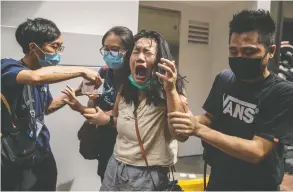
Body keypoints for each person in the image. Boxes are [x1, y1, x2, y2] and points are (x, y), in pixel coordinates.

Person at [168, 9, 293, 191]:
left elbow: (257, 150)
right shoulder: (225, 79)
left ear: (271, 51)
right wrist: (188, 120)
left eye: (249, 51)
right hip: (219, 180)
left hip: (258, 186)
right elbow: (210, 118)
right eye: (234, 51)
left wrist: (198, 129)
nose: (240, 57)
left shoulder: (281, 93)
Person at [63, 30, 189, 190]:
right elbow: (114, 117)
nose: (140, 57)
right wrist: (81, 106)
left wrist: (170, 89)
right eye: (136, 51)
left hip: (147, 174)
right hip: (115, 164)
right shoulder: (121, 86)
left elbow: (182, 135)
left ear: (159, 61)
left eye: (147, 52)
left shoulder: (171, 93)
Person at [1, 18, 101, 191]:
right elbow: (34, 78)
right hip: (15, 155)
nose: (58, 52)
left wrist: (76, 93)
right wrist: (82, 70)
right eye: (55, 46)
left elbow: (47, 108)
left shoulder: (42, 73)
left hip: (41, 151)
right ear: (33, 47)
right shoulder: (8, 67)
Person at [80, 26, 134, 181]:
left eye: (115, 49)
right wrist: (91, 99)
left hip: (127, 143)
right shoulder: (103, 72)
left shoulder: (135, 78)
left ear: (128, 51)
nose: (110, 54)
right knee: (105, 179)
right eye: (106, 49)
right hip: (105, 140)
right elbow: (93, 107)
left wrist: (106, 117)